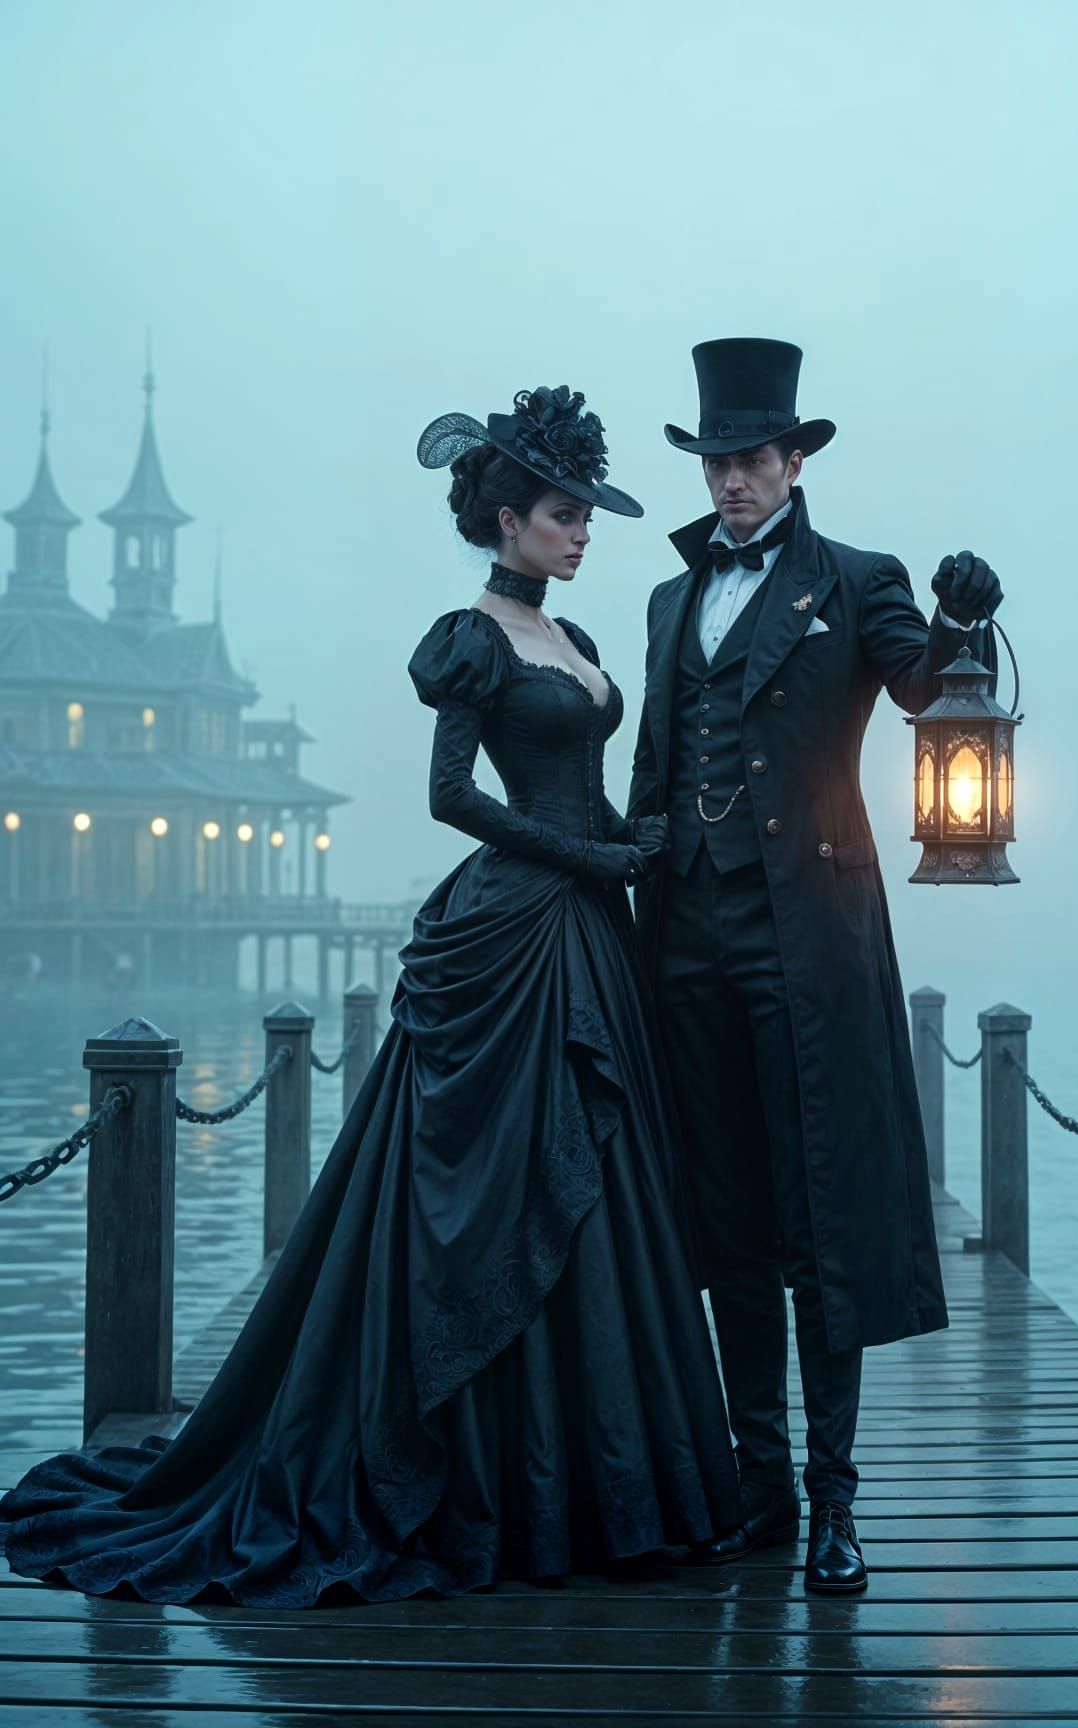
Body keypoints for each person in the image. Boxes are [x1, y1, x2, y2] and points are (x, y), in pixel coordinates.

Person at [0, 384, 741, 1604]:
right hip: (514, 933)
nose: (582, 532)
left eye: (585, 516)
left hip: (587, 931)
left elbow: (592, 796)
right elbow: (454, 796)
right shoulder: (473, 636)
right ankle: (488, 1480)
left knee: (596, 1178)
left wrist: (644, 843)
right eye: (564, 514)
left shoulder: (585, 646)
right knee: (494, 1188)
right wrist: (595, 857)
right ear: (507, 521)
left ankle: (608, 1484)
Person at [628, 338, 1005, 1594]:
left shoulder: (858, 580)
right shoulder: (669, 601)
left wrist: (964, 618)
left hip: (813, 941)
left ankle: (837, 1501)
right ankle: (758, 1487)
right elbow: (654, 781)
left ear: (794, 462)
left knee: (819, 1221)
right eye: (718, 461)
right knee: (727, 1220)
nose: (732, 481)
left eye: (752, 460)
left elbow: (928, 690)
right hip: (688, 938)